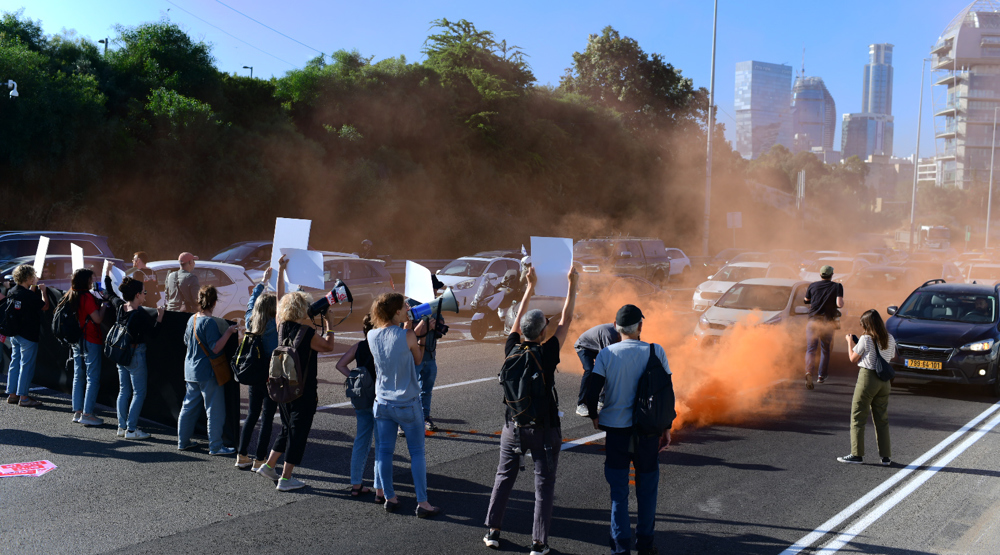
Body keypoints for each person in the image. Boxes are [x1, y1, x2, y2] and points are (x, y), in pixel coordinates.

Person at [484, 266, 579, 555]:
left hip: (513, 426)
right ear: (542, 332)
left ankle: (492, 531)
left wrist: (529, 286)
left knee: (503, 478)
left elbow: (517, 322)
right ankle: (538, 543)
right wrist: (572, 284)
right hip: (544, 429)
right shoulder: (548, 352)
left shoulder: (511, 348)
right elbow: (567, 319)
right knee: (543, 485)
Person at [582, 305, 673, 555]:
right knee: (647, 490)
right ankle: (645, 544)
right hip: (647, 434)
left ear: (615, 327)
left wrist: (594, 417)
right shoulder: (656, 351)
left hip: (617, 433)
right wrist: (666, 428)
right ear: (640, 327)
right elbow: (667, 394)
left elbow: (591, 392)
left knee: (618, 493)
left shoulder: (606, 354)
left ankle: (620, 547)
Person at [256, 275, 337, 491]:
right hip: (304, 389)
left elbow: (279, 299)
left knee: (286, 427)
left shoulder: (281, 325)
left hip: (284, 387)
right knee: (298, 432)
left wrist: (282, 271)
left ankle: (269, 465)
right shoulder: (307, 332)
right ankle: (286, 478)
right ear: (303, 309)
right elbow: (328, 346)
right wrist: (329, 323)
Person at [367, 291, 440, 517]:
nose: (408, 309)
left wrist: (407, 327)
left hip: (382, 402)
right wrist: (414, 332)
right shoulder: (407, 334)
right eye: (404, 307)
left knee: (384, 452)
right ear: (396, 311)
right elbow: (418, 359)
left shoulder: (371, 335)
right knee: (417, 452)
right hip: (406, 402)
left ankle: (389, 497)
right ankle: (423, 503)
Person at [177, 285, 239, 455]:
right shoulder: (209, 322)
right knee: (214, 410)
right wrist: (228, 332)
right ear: (214, 302)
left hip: (190, 370)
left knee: (188, 407)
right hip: (207, 371)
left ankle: (183, 441)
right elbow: (216, 348)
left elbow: (185, 341)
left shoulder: (192, 319)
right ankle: (216, 446)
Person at [103, 271, 165, 439]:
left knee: (124, 391)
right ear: (137, 295)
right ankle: (131, 429)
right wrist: (160, 317)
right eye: (144, 292)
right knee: (139, 392)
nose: (145, 295)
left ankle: (122, 427)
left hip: (120, 354)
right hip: (136, 354)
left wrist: (108, 274)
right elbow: (153, 334)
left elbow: (109, 293)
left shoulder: (120, 307)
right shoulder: (139, 314)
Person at [839, 310, 896, 466]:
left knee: (858, 416)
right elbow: (889, 357)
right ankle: (886, 457)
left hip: (868, 378)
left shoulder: (865, 338)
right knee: (882, 419)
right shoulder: (890, 338)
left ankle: (857, 455)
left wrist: (849, 342)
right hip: (884, 381)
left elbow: (852, 358)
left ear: (866, 324)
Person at [236, 267, 279, 470]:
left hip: (253, 372)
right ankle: (259, 459)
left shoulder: (250, 320)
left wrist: (262, 282)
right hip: (270, 375)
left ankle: (242, 455)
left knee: (252, 414)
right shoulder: (275, 325)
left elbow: (251, 302)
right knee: (267, 417)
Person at [335, 314, 383, 498]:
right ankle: (380, 486)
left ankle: (356, 483)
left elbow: (340, 365)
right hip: (379, 397)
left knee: (361, 440)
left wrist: (354, 377)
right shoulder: (380, 346)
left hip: (361, 397)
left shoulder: (359, 346)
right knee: (381, 443)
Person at [58, 269, 107, 427]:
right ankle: (87, 414)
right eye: (91, 279)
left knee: (78, 376)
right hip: (90, 338)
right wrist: (104, 304)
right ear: (86, 281)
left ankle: (78, 411)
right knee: (92, 377)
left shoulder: (69, 294)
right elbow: (97, 319)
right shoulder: (87, 297)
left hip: (76, 339)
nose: (93, 281)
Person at [4, 264, 50, 407]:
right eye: (33, 276)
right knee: (26, 366)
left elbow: (27, 298)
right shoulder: (28, 295)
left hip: (15, 333)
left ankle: (12, 394)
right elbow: (45, 306)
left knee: (15, 363)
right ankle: (24, 397)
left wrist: (34, 287)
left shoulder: (12, 291)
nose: (35, 277)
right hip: (28, 334)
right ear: (28, 278)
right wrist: (44, 291)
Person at [803, 264, 844, 389]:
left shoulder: (812, 285)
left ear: (820, 275)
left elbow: (806, 300)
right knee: (825, 349)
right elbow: (840, 304)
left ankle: (809, 372)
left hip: (813, 321)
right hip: (827, 322)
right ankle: (821, 376)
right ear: (832, 275)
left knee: (811, 349)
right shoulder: (837, 286)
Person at [574, 322, 621, 418]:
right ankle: (581, 404)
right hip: (584, 346)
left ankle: (602, 401)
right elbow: (607, 357)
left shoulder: (625, 333)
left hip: (597, 347)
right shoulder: (609, 334)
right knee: (590, 370)